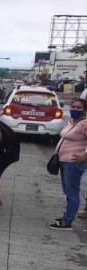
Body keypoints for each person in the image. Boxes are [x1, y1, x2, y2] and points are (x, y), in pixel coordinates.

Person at [50, 98, 87, 230]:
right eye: (73, 107)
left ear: (84, 110)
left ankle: (67, 222)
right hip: (64, 161)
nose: (75, 109)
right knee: (67, 190)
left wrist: (84, 156)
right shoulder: (72, 121)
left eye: (78, 108)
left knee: (72, 191)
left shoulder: (84, 124)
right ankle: (67, 215)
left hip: (73, 163)